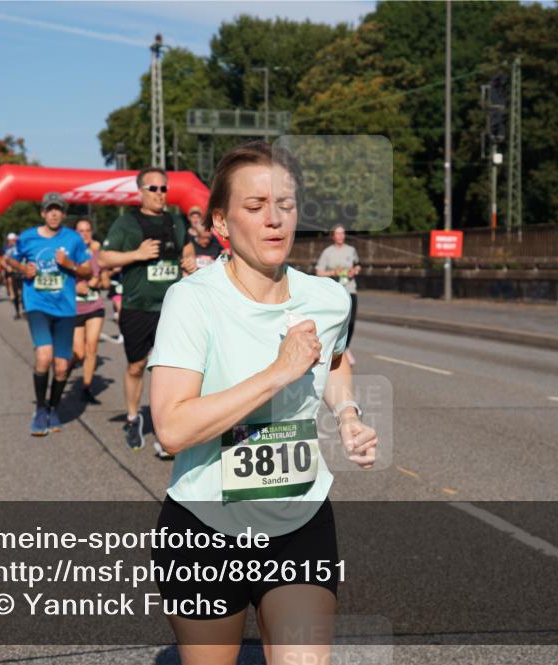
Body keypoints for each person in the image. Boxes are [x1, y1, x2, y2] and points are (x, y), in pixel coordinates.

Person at [148, 140, 378, 664]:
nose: (274, 219)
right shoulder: (192, 300)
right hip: (205, 527)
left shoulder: (328, 298)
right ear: (222, 223)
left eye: (285, 205)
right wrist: (277, 373)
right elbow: (172, 428)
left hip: (300, 520)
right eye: (254, 206)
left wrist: (346, 414)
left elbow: (334, 361)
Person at [99, 167, 196, 454]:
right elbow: (103, 258)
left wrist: (189, 262)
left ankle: (169, 426)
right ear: (140, 191)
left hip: (172, 307)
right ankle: (133, 418)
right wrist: (137, 254)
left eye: (163, 188)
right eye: (153, 188)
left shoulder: (176, 221)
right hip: (138, 306)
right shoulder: (126, 223)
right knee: (136, 365)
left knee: (172, 368)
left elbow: (187, 250)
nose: (159, 194)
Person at [3, 193, 92, 436]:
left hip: (65, 308)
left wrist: (69, 264)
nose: (54, 213)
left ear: (63, 214)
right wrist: (24, 268)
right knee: (44, 357)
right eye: (50, 209)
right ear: (43, 213)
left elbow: (88, 270)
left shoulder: (73, 239)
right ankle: (40, 409)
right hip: (37, 305)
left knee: (61, 368)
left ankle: (53, 409)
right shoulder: (28, 237)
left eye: (58, 209)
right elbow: (9, 259)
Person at [72, 219, 109, 404]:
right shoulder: (69, 254)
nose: (85, 234)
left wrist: (99, 282)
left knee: (92, 347)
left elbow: (107, 283)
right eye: (81, 231)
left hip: (95, 306)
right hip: (74, 309)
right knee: (79, 353)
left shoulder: (97, 254)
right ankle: (66, 366)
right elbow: (60, 281)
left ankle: (86, 388)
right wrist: (74, 288)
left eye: (87, 230)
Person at [315, 225, 360, 366]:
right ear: (333, 236)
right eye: (338, 234)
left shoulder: (351, 250)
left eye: (343, 233)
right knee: (336, 321)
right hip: (334, 292)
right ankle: (334, 350)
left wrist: (354, 271)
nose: (341, 236)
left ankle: (345, 347)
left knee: (351, 321)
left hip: (350, 289)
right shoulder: (327, 252)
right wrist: (333, 272)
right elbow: (319, 272)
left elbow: (358, 265)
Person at [1, 232, 25, 319]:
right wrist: (7, 267)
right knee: (16, 294)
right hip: (13, 273)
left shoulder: (22, 247)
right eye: (11, 240)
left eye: (14, 240)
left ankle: (25, 310)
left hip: (22, 273)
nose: (12, 242)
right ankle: (17, 312)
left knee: (23, 293)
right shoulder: (7, 249)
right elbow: (2, 260)